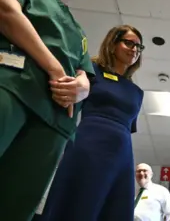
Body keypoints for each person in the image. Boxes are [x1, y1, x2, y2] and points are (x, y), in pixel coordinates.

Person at [0, 0, 102, 220]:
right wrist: (55, 69)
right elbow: (6, 12)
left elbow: (85, 74)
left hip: (54, 122)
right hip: (13, 88)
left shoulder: (77, 31)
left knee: (18, 205)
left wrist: (81, 88)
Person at [38, 25, 145, 221]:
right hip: (89, 143)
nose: (134, 49)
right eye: (128, 43)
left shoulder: (137, 92)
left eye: (139, 46)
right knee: (80, 199)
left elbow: (128, 128)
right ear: (113, 44)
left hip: (122, 152)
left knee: (114, 207)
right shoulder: (90, 71)